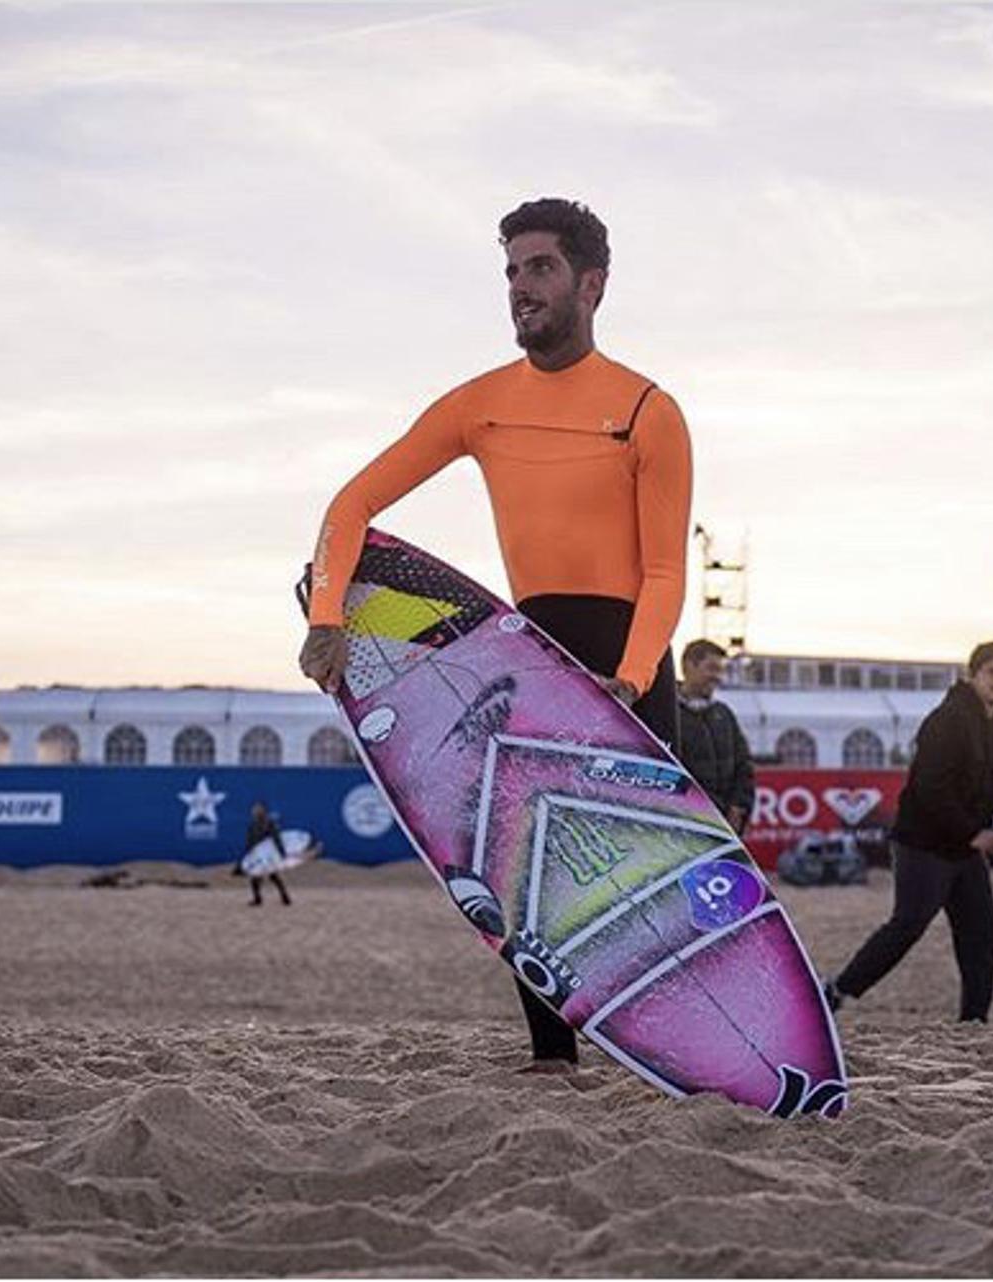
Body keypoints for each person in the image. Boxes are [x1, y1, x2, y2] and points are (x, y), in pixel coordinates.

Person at [298, 197, 693, 1073]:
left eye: (540, 268)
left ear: (592, 284)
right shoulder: (480, 406)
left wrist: (626, 681)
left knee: (635, 868)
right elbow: (351, 506)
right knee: (522, 862)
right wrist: (328, 618)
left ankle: (667, 1045)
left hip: (628, 659)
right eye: (511, 272)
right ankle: (553, 1055)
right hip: (529, 653)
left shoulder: (646, 410)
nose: (520, 288)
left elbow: (666, 574)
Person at [825, 641, 993, 1022]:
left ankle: (974, 1022)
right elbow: (930, 789)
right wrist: (974, 834)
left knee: (983, 931)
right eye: (991, 672)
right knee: (908, 925)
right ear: (972, 675)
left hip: (963, 850)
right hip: (923, 844)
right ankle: (837, 991)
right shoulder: (946, 720)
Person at [676, 638, 754, 833]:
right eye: (711, 668)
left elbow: (744, 766)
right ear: (688, 666)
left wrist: (739, 807)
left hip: (725, 826)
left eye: (721, 670)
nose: (717, 677)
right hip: (686, 825)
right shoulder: (667, 712)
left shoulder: (724, 714)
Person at [239, 802, 293, 908]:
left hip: (268, 855)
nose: (254, 812)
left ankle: (285, 897)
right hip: (257, 855)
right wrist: (249, 854)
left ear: (263, 811)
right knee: (255, 877)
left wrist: (281, 852)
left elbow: (276, 838)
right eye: (254, 810)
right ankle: (258, 899)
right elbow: (250, 841)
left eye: (257, 810)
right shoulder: (253, 825)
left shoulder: (270, 823)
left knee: (273, 876)